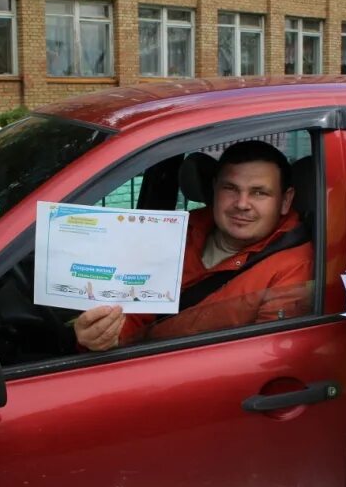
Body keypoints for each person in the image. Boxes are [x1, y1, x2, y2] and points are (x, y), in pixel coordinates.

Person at [74, 140, 313, 351]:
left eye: (259, 193)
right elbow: (136, 307)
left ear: (285, 201)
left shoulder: (294, 265)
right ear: (214, 190)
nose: (242, 204)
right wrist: (106, 337)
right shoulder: (179, 232)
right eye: (230, 188)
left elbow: (261, 358)